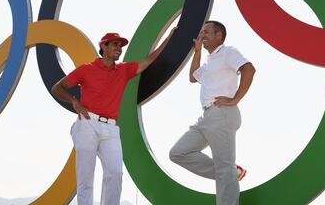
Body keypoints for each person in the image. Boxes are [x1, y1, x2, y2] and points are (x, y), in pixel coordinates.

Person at [51, 27, 176, 205]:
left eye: (120, 45)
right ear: (104, 46)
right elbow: (57, 88)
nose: (119, 48)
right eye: (115, 44)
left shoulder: (124, 70)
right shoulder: (86, 69)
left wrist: (169, 39)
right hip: (87, 124)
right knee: (86, 177)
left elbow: (149, 60)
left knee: (115, 173)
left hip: (111, 128)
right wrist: (74, 101)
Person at [169, 21, 255, 205]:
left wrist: (235, 99)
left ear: (219, 35)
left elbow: (249, 69)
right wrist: (198, 52)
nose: (202, 35)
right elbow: (193, 77)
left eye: (207, 32)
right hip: (207, 117)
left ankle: (229, 173)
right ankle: (231, 172)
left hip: (222, 113)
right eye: (201, 32)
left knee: (225, 170)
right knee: (178, 153)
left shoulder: (227, 52)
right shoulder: (210, 62)